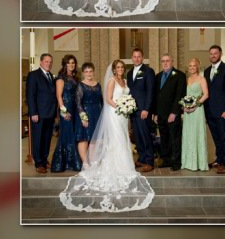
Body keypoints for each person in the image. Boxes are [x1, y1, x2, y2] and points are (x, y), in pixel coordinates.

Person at [59, 60, 154, 212]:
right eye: (118, 67)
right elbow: (108, 99)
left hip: (124, 116)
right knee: (116, 139)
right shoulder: (111, 81)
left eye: (122, 67)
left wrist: (127, 107)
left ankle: (125, 164)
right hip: (116, 113)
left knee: (123, 138)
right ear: (114, 69)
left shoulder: (124, 81)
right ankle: (116, 165)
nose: (121, 69)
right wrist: (122, 107)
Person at [203, 45, 225, 174]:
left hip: (222, 111)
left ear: (220, 54)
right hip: (210, 110)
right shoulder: (206, 71)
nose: (213, 56)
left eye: (215, 53)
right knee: (216, 137)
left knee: (224, 137)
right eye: (211, 54)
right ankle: (219, 158)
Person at [153, 53, 185, 170]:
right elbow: (156, 96)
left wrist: (175, 113)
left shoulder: (179, 75)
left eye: (167, 61)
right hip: (160, 114)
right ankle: (166, 160)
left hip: (172, 114)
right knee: (164, 138)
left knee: (175, 139)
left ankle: (176, 162)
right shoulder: (158, 76)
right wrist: (155, 113)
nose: (165, 63)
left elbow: (179, 95)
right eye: (163, 61)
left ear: (172, 62)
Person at [25, 53, 57, 173]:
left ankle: (44, 160)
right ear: (41, 62)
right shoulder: (33, 75)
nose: (49, 64)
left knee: (47, 139)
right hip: (38, 114)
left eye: (50, 62)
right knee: (38, 138)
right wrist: (33, 112)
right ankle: (38, 163)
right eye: (46, 62)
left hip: (50, 113)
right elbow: (30, 95)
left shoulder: (51, 77)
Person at [51, 55, 81, 172]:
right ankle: (61, 163)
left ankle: (72, 162)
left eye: (73, 63)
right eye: (69, 63)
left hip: (74, 109)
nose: (71, 65)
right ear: (65, 64)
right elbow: (59, 96)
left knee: (72, 134)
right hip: (66, 108)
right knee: (66, 134)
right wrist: (64, 112)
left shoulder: (74, 78)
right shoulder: (60, 78)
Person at [127, 48, 155, 172]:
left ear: (142, 58)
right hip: (132, 110)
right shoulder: (129, 73)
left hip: (143, 110)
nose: (137, 59)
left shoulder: (148, 71)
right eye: (134, 56)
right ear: (132, 58)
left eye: (139, 56)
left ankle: (149, 160)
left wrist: (146, 109)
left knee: (145, 135)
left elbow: (150, 92)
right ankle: (142, 157)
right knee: (137, 136)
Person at [181, 58, 210, 171]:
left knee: (197, 134)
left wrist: (195, 105)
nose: (192, 68)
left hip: (197, 110)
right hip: (187, 112)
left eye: (194, 66)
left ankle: (198, 163)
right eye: (190, 66)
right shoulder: (187, 79)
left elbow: (206, 95)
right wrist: (184, 106)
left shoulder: (202, 79)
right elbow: (184, 96)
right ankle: (188, 162)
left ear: (198, 67)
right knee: (188, 135)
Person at [75, 62, 102, 168]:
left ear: (93, 72)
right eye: (86, 71)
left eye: (90, 71)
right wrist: (83, 117)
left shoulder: (98, 85)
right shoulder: (80, 85)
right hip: (85, 113)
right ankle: (84, 162)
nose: (89, 73)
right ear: (83, 73)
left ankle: (92, 160)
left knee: (94, 138)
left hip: (97, 113)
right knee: (84, 138)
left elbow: (101, 101)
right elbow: (78, 102)